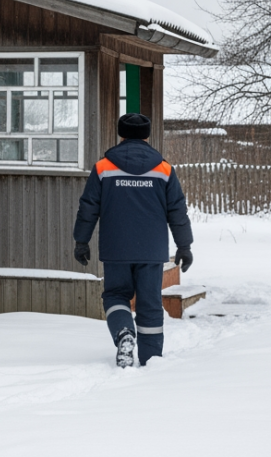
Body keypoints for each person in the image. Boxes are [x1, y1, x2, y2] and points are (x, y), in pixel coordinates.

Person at [72, 113, 193, 368]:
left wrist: (81, 240)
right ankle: (151, 360)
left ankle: (124, 332)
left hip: (116, 248)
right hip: (151, 251)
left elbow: (88, 207)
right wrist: (184, 245)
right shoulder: (164, 169)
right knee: (150, 303)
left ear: (121, 134)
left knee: (116, 296)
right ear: (147, 136)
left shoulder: (104, 167)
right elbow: (177, 211)